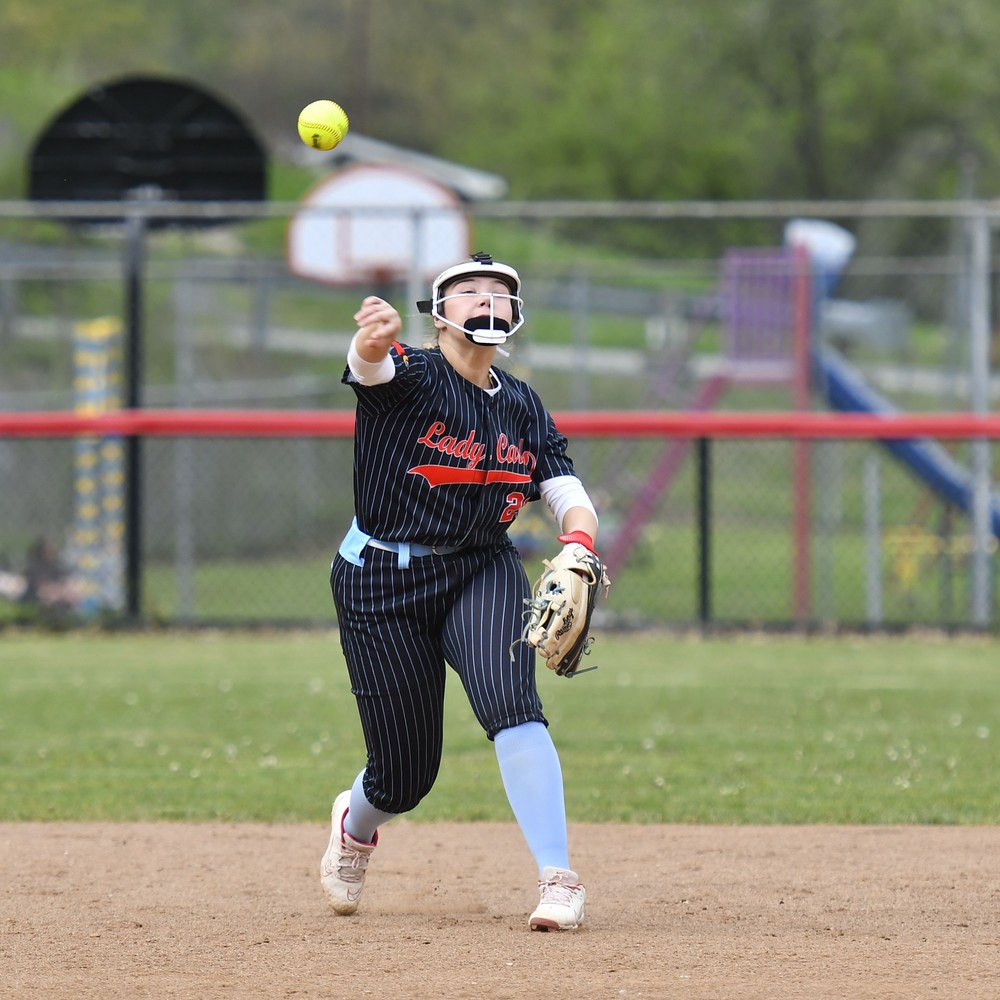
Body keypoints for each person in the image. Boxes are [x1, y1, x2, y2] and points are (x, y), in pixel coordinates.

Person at [321, 252, 602, 932]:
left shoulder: (521, 403)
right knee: (404, 775)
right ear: (440, 313)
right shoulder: (415, 373)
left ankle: (558, 878)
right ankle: (356, 825)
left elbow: (563, 485)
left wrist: (578, 543)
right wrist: (372, 341)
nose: (487, 300)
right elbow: (370, 368)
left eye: (500, 291)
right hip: (380, 580)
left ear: (516, 313)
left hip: (481, 567)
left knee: (513, 705)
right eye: (469, 290)